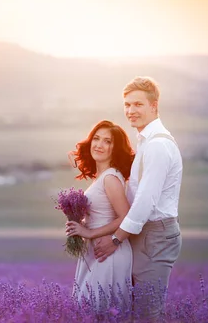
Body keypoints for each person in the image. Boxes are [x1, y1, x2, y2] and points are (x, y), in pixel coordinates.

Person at [93, 76, 183, 320]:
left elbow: (145, 201)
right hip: (142, 233)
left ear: (154, 106)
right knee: (135, 312)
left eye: (138, 104)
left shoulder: (157, 145)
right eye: (127, 105)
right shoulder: (145, 141)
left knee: (147, 315)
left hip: (154, 234)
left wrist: (115, 239)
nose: (131, 111)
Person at [65, 120, 135, 310]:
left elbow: (125, 217)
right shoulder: (102, 177)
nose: (99, 145)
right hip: (97, 250)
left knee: (98, 310)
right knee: (90, 310)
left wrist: (88, 233)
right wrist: (78, 222)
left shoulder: (110, 178)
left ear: (115, 149)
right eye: (96, 139)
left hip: (108, 251)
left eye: (107, 141)